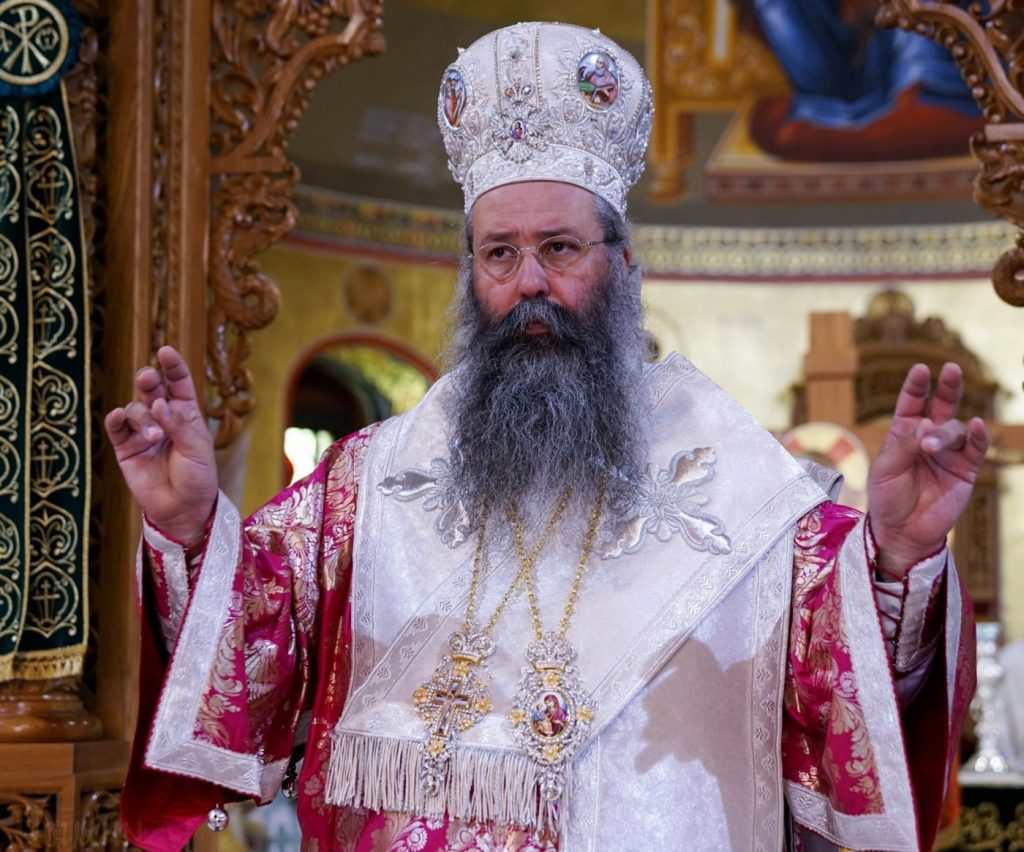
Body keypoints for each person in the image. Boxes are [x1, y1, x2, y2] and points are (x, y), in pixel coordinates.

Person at [107, 22, 987, 852]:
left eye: (560, 248)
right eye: (500, 253)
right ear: (471, 272)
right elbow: (252, 650)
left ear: (624, 265)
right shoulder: (369, 482)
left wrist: (900, 554)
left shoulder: (742, 493)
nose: (529, 281)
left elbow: (847, 688)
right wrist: (189, 529)